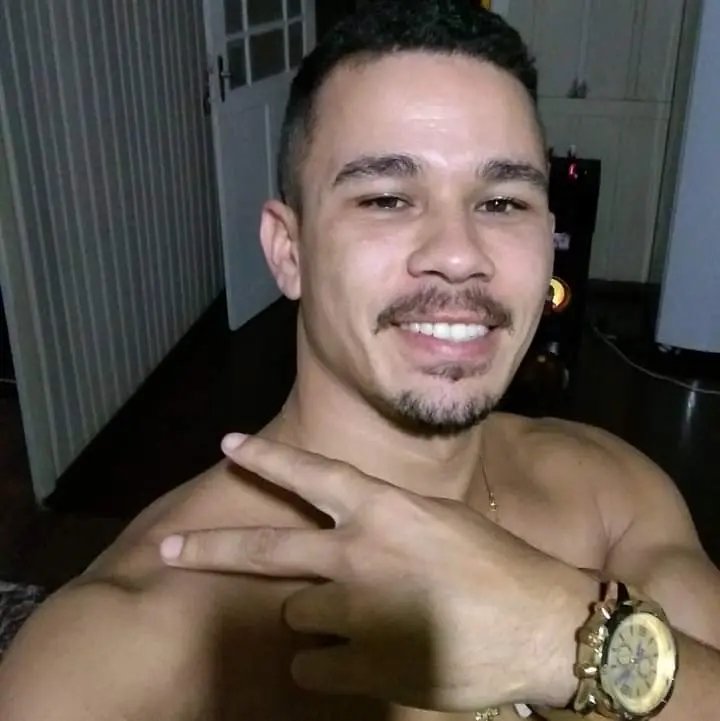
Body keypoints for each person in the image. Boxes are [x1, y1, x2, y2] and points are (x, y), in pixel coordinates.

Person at [1, 1, 719, 719]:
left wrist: (559, 637)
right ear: (289, 252)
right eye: (386, 198)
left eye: (502, 202)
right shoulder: (111, 659)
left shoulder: (612, 497)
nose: (459, 254)